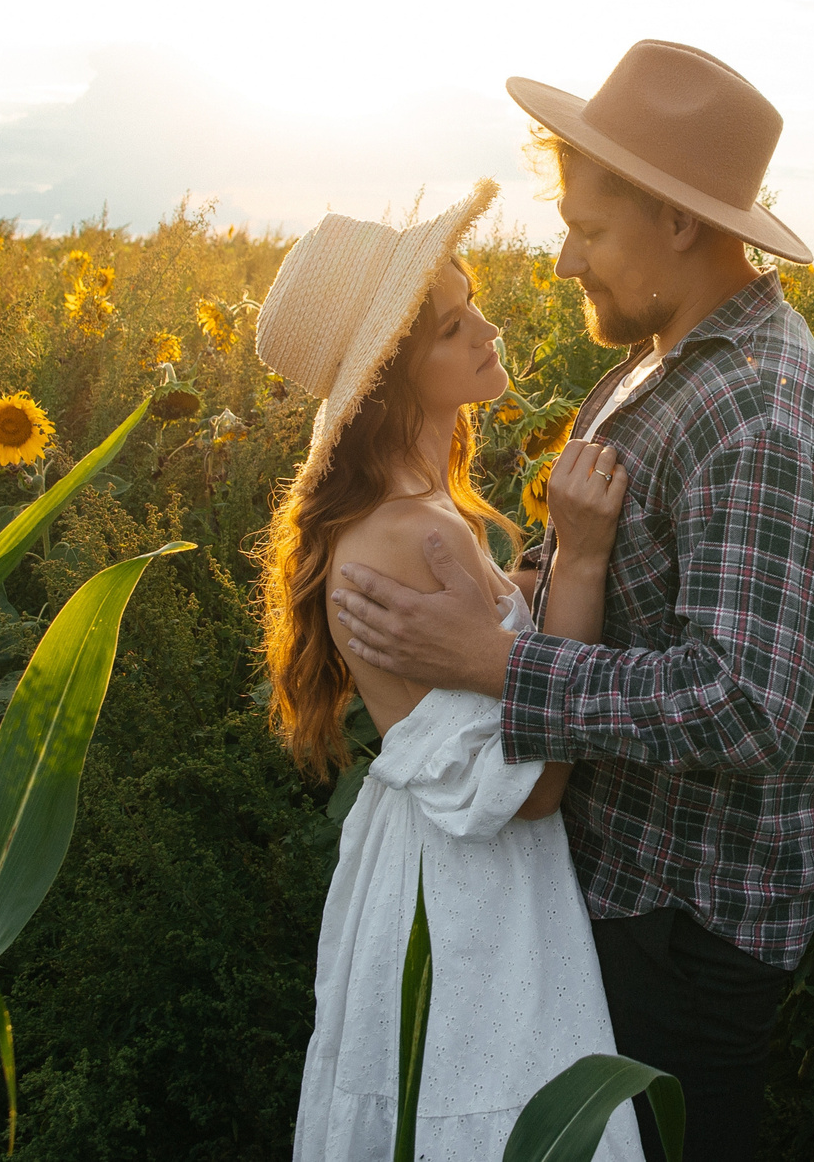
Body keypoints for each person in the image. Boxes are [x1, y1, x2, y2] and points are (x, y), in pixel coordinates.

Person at [330, 41, 814, 1162]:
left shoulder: (762, 414)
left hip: (688, 924)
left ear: (677, 221)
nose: (565, 259)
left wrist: (496, 663)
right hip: (615, 891)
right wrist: (521, 585)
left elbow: (745, 704)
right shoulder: (657, 365)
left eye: (589, 229)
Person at [257, 179, 642, 1162]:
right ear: (392, 381)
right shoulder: (413, 536)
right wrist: (582, 558)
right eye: (450, 326)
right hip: (471, 899)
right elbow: (534, 787)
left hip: (429, 866)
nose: (487, 329)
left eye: (472, 304)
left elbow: (481, 668)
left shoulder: (407, 516)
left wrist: (522, 590)